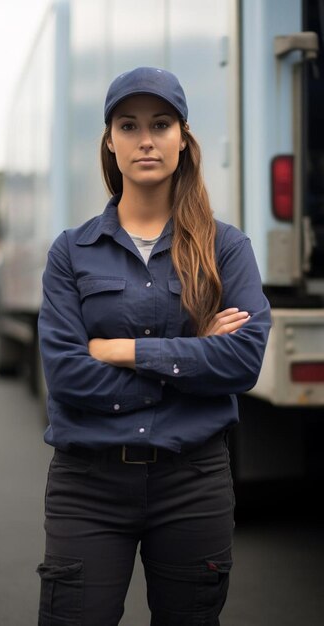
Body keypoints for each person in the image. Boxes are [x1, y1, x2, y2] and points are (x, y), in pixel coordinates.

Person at [36, 66, 271, 626]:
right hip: (88, 485)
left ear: (182, 141)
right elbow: (68, 376)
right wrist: (192, 358)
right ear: (110, 142)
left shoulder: (226, 248)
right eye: (129, 124)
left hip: (193, 483)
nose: (146, 138)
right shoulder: (71, 253)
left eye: (161, 124)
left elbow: (242, 360)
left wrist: (121, 350)